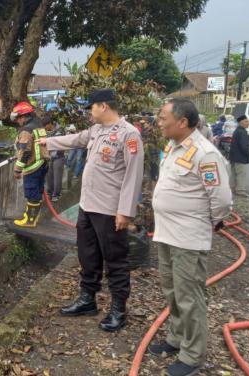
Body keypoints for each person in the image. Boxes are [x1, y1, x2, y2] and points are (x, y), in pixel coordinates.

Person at [40, 88, 144, 332]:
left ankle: (119, 309)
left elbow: (133, 175)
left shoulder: (129, 135)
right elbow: (75, 139)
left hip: (110, 210)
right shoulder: (96, 131)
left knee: (115, 260)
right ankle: (88, 299)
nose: (90, 112)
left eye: (92, 107)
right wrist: (47, 141)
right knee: (87, 255)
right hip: (87, 206)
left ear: (103, 106)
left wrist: (125, 212)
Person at [149, 99, 232, 376]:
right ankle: (176, 338)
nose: (159, 122)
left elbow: (221, 200)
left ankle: (193, 354)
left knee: (189, 296)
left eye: (163, 118)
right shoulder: (173, 147)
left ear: (182, 122)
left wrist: (209, 222)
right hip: (167, 234)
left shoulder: (205, 154)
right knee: (172, 291)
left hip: (188, 238)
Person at [11, 101, 48, 227]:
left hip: (32, 166)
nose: (17, 121)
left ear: (23, 116)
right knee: (37, 193)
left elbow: (25, 151)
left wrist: (17, 169)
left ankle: (30, 221)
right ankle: (32, 218)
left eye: (18, 118)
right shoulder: (38, 125)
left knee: (31, 193)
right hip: (42, 164)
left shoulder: (26, 130)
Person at [229, 115, 249, 197]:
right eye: (246, 121)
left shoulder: (237, 130)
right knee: (241, 174)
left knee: (234, 173)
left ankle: (232, 188)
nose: (248, 123)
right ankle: (240, 190)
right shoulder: (242, 132)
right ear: (241, 122)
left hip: (234, 157)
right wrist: (248, 155)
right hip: (240, 157)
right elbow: (244, 146)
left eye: (248, 121)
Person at [44, 114, 65, 202]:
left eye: (46, 126)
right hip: (49, 157)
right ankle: (49, 192)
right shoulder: (48, 131)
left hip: (58, 157)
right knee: (49, 177)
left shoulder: (60, 131)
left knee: (57, 177)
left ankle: (56, 194)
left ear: (50, 123)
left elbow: (58, 145)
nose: (45, 128)